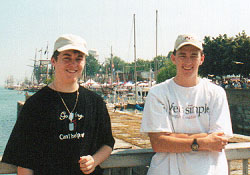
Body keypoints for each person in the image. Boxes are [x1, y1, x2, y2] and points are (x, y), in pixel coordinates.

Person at [2, 34, 115, 175]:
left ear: (84, 62)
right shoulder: (35, 105)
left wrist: (94, 160)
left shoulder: (96, 102)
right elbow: (24, 162)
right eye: (66, 58)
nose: (73, 64)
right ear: (53, 61)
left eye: (78, 59)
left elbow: (108, 143)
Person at [140, 34, 233, 175]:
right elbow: (158, 143)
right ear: (173, 58)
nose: (188, 61)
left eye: (193, 55)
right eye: (182, 55)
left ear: (201, 59)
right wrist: (203, 141)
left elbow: (218, 141)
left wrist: (173, 137)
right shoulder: (157, 93)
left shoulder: (216, 93)